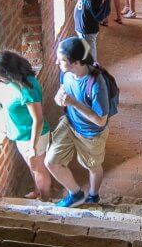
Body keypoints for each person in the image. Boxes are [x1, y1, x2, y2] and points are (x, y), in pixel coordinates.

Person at [45, 37, 110, 207]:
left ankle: (93, 196)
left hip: (90, 133)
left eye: (62, 60)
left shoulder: (96, 84)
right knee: (51, 162)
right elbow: (62, 90)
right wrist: (59, 98)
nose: (57, 63)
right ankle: (76, 194)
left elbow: (101, 121)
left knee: (93, 167)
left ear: (77, 62)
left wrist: (73, 103)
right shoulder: (65, 73)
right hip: (70, 123)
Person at [0, 50, 52, 201]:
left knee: (39, 170)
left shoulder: (27, 89)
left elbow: (38, 119)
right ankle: (37, 192)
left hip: (32, 136)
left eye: (1, 78)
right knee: (34, 168)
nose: (0, 81)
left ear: (9, 73)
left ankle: (45, 200)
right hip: (22, 134)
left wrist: (33, 146)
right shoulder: (17, 80)